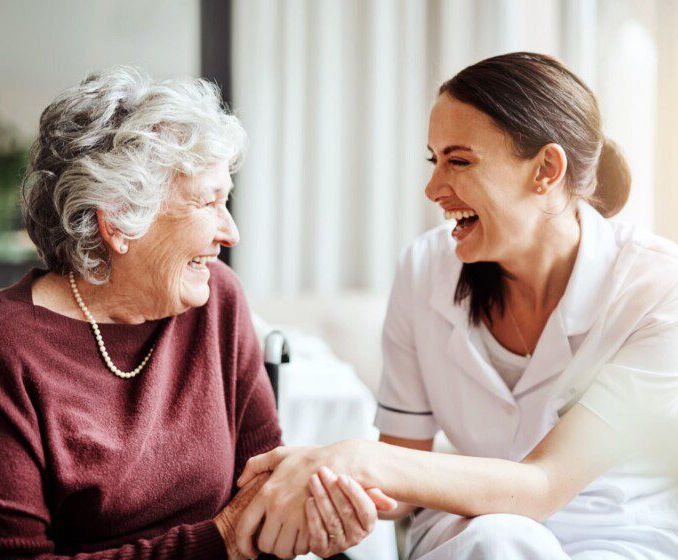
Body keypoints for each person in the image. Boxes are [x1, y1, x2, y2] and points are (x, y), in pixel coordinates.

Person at [235, 52, 678, 559]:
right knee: (496, 537)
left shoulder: (658, 289)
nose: (433, 189)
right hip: (470, 538)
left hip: (616, 540)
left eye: (459, 161)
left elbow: (542, 485)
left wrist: (359, 459)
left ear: (546, 170)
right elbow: (403, 472)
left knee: (506, 536)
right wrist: (327, 490)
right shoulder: (425, 270)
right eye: (434, 159)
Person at [0, 66, 392, 559]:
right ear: (117, 221)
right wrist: (220, 539)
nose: (231, 232)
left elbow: (261, 488)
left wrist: (305, 516)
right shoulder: (1, 348)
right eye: (209, 202)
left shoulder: (216, 299)